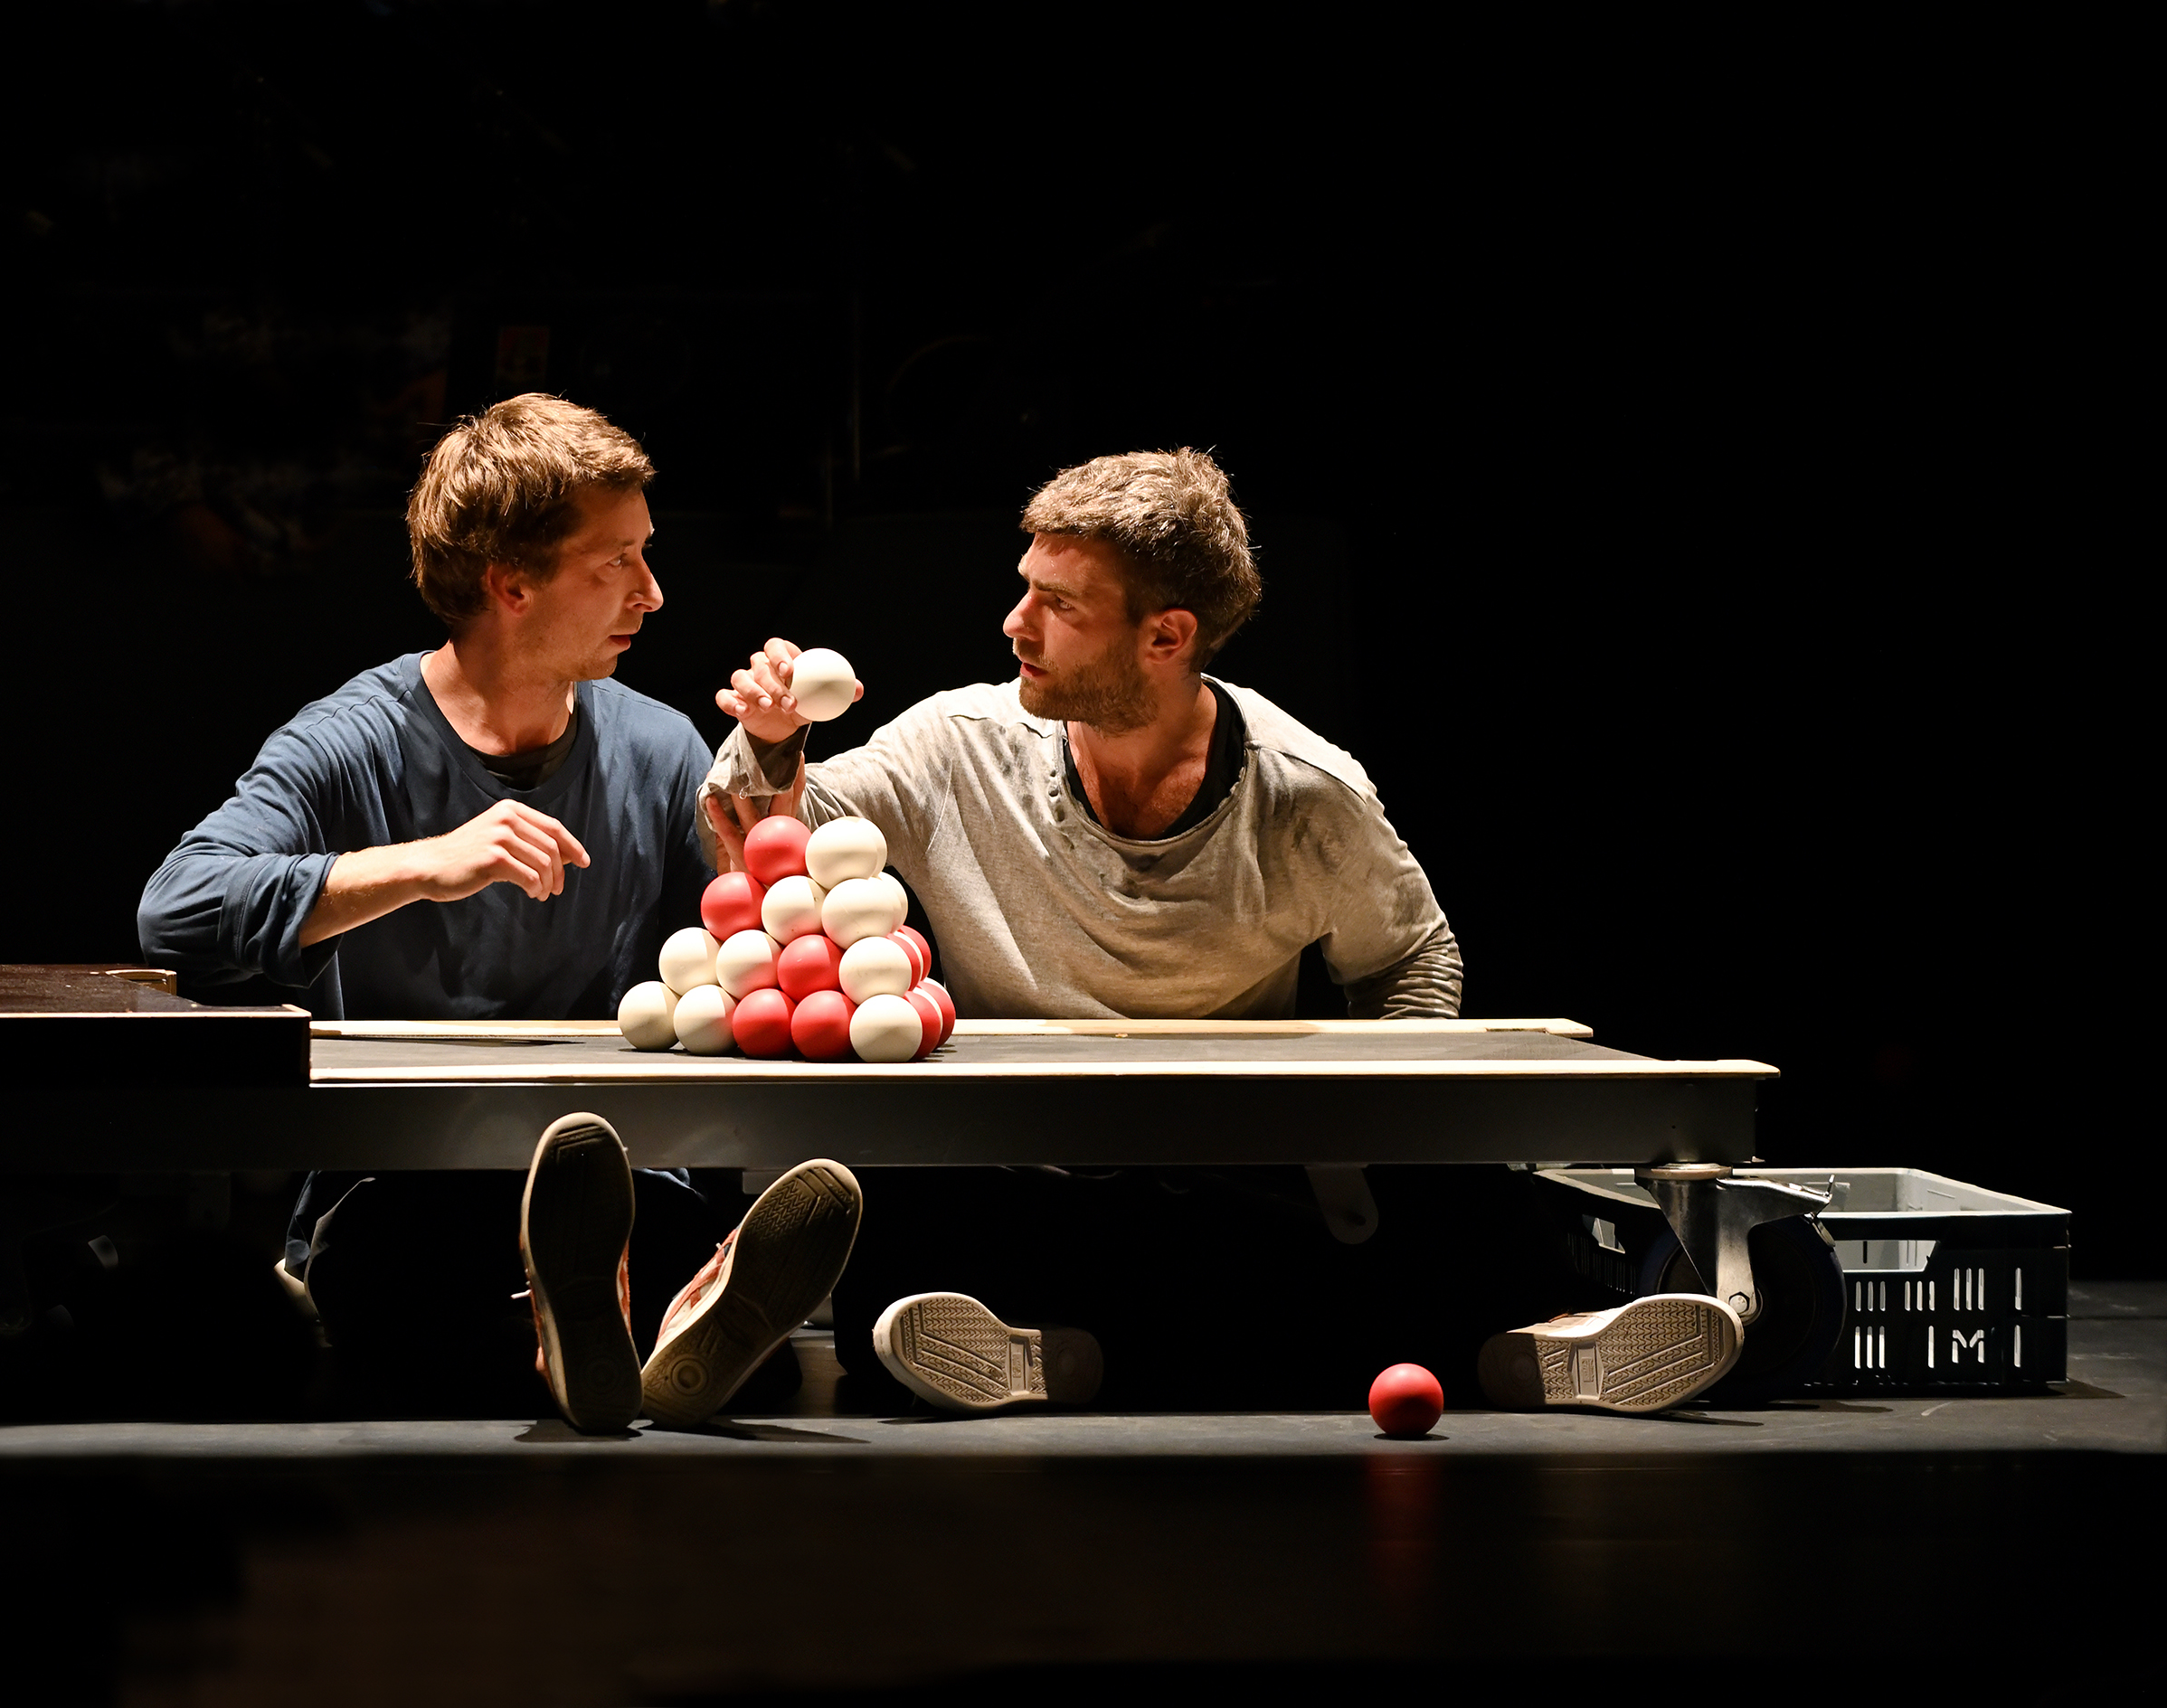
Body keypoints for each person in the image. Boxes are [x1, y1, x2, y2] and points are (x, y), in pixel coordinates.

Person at [698, 448, 1739, 1416]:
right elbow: (766, 851)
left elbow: (1414, 958)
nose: (1016, 623)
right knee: (897, 1216)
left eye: (1059, 604)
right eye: (1026, 588)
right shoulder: (955, 744)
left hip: (1234, 1173)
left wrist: (1371, 1128)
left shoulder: (1306, 792)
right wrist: (771, 741)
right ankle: (1076, 1351)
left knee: (1455, 1196)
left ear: (1167, 636)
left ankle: (1533, 1344)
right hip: (1030, 1171)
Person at [137, 394, 861, 1430]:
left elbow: (751, 943)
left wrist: (772, 779)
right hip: (406, 1180)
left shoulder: (657, 744)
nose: (653, 592)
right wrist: (423, 863)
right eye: (616, 561)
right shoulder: (350, 740)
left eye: (647, 554)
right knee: (417, 1312)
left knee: (648, 1251)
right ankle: (626, 1338)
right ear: (510, 583)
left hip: (615, 1177)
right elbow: (176, 908)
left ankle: (619, 1321)